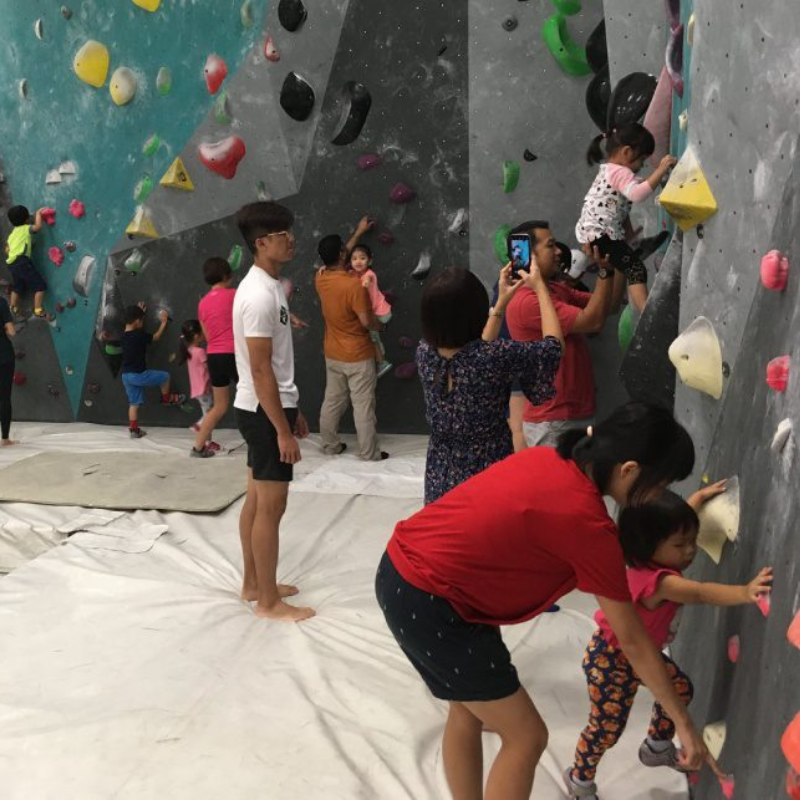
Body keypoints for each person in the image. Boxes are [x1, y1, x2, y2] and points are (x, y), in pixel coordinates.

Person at [376, 402, 718, 800]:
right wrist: (683, 725)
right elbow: (635, 642)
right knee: (526, 736)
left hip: (409, 569)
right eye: (660, 485)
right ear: (629, 471)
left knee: (466, 712)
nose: (659, 495)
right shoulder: (587, 524)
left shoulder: (551, 459)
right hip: (431, 598)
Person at [566, 487, 772, 798]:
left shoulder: (648, 555)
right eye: (681, 544)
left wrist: (696, 501)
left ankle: (656, 747)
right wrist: (745, 592)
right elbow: (702, 592)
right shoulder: (663, 582)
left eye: (692, 539)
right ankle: (579, 780)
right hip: (611, 662)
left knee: (681, 689)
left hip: (637, 653)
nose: (690, 550)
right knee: (606, 730)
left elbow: (665, 528)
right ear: (648, 547)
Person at [419, 262, 563, 504]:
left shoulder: (425, 353)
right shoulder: (495, 356)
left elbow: (475, 352)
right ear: (475, 311)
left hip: (440, 473)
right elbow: (553, 348)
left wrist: (501, 304)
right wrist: (540, 290)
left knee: (446, 535)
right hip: (487, 472)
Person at [233, 201, 314, 622]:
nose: (291, 239)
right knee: (271, 508)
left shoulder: (268, 285)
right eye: (283, 234)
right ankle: (268, 601)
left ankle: (254, 583)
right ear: (262, 243)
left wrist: (291, 409)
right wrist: (281, 430)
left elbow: (273, 369)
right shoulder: (259, 296)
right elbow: (261, 368)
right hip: (263, 413)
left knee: (255, 501)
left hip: (265, 407)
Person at [506, 220, 621, 449]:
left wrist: (617, 263)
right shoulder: (527, 301)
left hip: (572, 414)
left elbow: (609, 306)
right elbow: (593, 321)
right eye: (550, 246)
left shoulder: (555, 289)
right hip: (554, 421)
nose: (559, 251)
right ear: (530, 255)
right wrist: (604, 270)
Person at [576, 123, 677, 313]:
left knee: (628, 262)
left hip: (596, 231)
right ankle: (647, 313)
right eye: (642, 160)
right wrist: (661, 169)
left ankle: (634, 248)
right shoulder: (620, 172)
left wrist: (627, 233)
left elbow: (617, 207)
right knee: (635, 268)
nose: (642, 166)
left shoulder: (609, 170)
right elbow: (637, 194)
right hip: (600, 233)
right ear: (627, 152)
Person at [315, 216, 388, 461]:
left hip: (333, 353)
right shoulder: (353, 287)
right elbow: (367, 322)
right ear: (343, 255)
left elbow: (339, 254)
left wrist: (357, 233)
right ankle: (369, 454)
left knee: (332, 401)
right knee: (363, 406)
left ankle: (330, 445)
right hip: (357, 355)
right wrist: (381, 326)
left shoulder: (321, 277)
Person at [193, 257, 238, 457]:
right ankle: (268, 440)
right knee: (259, 396)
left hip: (214, 357)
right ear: (228, 275)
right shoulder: (236, 295)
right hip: (235, 354)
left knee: (219, 406)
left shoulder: (202, 303)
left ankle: (198, 447)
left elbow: (208, 336)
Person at [121, 303, 186, 438]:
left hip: (126, 376)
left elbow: (136, 328)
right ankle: (166, 399)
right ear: (137, 321)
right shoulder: (139, 335)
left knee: (133, 404)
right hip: (139, 375)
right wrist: (163, 323)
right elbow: (155, 337)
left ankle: (134, 430)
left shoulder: (124, 335)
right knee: (165, 376)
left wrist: (140, 313)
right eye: (142, 320)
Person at [350, 244, 393, 378]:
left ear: (370, 261)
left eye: (362, 258)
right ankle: (380, 351)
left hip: (379, 314)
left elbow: (367, 281)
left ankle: (382, 363)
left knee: (372, 340)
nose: (358, 261)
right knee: (374, 337)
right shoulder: (356, 274)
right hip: (380, 310)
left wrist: (364, 284)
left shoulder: (369, 275)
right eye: (354, 259)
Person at [178, 319, 217, 458]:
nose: (204, 334)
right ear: (196, 336)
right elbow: (208, 368)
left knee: (209, 412)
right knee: (210, 415)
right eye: (202, 333)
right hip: (204, 388)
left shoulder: (189, 351)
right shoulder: (200, 351)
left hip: (197, 389)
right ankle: (199, 425)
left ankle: (208, 442)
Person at [5, 205, 48, 318]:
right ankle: (38, 309)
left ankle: (13, 306)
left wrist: (25, 247)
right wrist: (38, 214)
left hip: (11, 263)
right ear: (26, 220)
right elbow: (38, 227)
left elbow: (7, 249)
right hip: (22, 263)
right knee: (40, 286)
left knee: (18, 286)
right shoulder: (26, 228)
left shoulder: (12, 235)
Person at [0, 295, 18, 445]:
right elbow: (12, 331)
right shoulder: (1, 302)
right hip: (4, 355)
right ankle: (5, 438)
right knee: (4, 397)